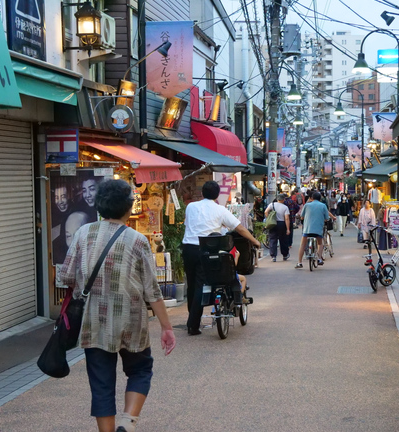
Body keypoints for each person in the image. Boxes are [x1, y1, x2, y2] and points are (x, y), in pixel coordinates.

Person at [57, 179, 175, 432]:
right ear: (128, 207)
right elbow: (152, 290)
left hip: (94, 323)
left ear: (99, 206)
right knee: (141, 370)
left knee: (101, 384)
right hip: (132, 322)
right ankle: (128, 422)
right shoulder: (137, 240)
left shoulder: (82, 233)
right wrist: (167, 327)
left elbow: (64, 277)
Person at [182, 181, 260, 335]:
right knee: (200, 285)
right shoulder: (220, 210)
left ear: (202, 193)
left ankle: (193, 319)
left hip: (188, 248)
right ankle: (192, 324)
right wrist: (255, 241)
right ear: (217, 195)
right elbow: (240, 228)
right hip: (206, 249)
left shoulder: (191, 207)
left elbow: (188, 224)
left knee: (191, 285)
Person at [297, 191, 336, 268]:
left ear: (311, 198)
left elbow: (302, 216)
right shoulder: (323, 206)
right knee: (320, 243)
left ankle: (299, 263)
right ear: (320, 198)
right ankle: (319, 258)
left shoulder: (307, 205)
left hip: (307, 229)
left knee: (302, 244)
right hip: (318, 230)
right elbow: (326, 218)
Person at [264, 194, 291, 262]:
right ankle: (285, 255)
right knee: (283, 240)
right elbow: (287, 218)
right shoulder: (285, 207)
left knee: (272, 239)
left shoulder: (271, 204)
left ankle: (273, 256)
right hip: (281, 224)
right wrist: (288, 229)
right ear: (283, 200)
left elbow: (266, 212)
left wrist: (269, 218)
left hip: (273, 223)